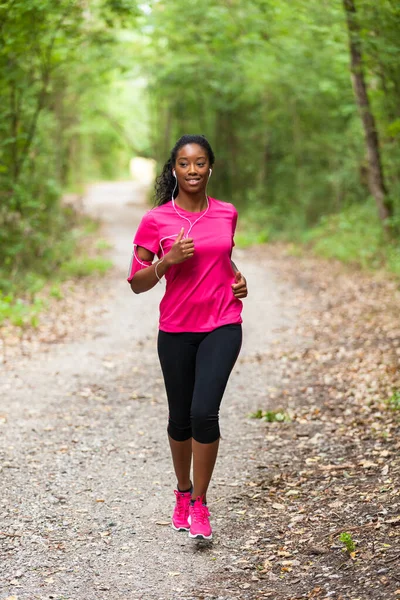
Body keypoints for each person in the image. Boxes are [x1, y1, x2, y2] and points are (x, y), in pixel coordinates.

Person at [127, 134, 248, 540]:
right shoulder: (156, 220)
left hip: (223, 324)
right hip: (176, 329)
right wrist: (167, 261)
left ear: (210, 167)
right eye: (184, 163)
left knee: (203, 413)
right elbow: (136, 283)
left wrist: (237, 278)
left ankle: (200, 502)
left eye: (199, 163)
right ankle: (181, 492)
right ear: (174, 169)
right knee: (179, 420)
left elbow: (223, 256)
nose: (192, 170)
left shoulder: (227, 212)